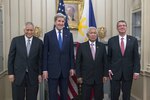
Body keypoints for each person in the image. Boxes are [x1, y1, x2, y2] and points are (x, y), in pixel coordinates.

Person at [42, 13, 75, 100]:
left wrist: (72, 67)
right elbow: (45, 54)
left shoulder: (69, 35)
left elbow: (71, 53)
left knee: (64, 94)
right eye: (59, 21)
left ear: (64, 23)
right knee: (52, 94)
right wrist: (44, 69)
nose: (61, 23)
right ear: (55, 22)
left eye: (62, 21)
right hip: (52, 70)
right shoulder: (48, 35)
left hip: (65, 70)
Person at [8, 22, 43, 100]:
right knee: (17, 97)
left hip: (33, 75)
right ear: (24, 30)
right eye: (27, 30)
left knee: (32, 97)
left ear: (34, 30)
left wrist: (40, 74)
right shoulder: (16, 40)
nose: (29, 32)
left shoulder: (39, 42)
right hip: (18, 75)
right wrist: (10, 73)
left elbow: (40, 60)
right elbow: (11, 58)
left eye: (31, 30)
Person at [108, 20, 140, 100]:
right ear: (117, 28)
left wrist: (136, 71)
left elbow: (136, 57)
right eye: (120, 26)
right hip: (114, 72)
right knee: (114, 94)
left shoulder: (133, 40)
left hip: (128, 72)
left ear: (126, 27)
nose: (122, 27)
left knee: (126, 94)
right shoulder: (111, 40)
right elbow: (109, 57)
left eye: (124, 25)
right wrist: (108, 69)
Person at [76, 27, 108, 100]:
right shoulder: (82, 46)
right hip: (85, 78)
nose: (93, 35)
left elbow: (105, 62)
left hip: (99, 78)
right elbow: (78, 62)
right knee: (85, 97)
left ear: (97, 35)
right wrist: (78, 76)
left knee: (99, 97)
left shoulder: (102, 46)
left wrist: (105, 75)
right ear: (88, 35)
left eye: (95, 33)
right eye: (91, 33)